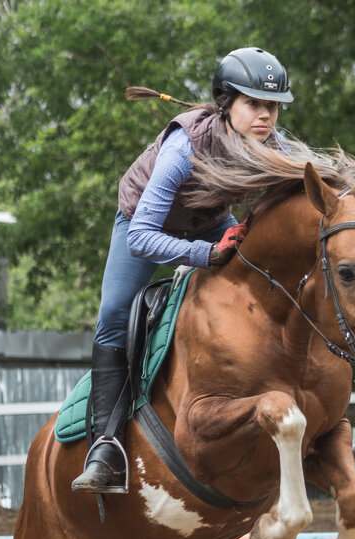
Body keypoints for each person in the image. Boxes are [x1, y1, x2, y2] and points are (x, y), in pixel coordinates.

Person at [72, 47, 293, 494]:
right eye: (254, 104)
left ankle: (309, 421)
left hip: (210, 226)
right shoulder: (183, 146)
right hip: (143, 226)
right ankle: (106, 447)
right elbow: (142, 238)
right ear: (225, 102)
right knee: (113, 318)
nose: (266, 116)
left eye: (272, 106)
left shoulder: (274, 142)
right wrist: (205, 256)